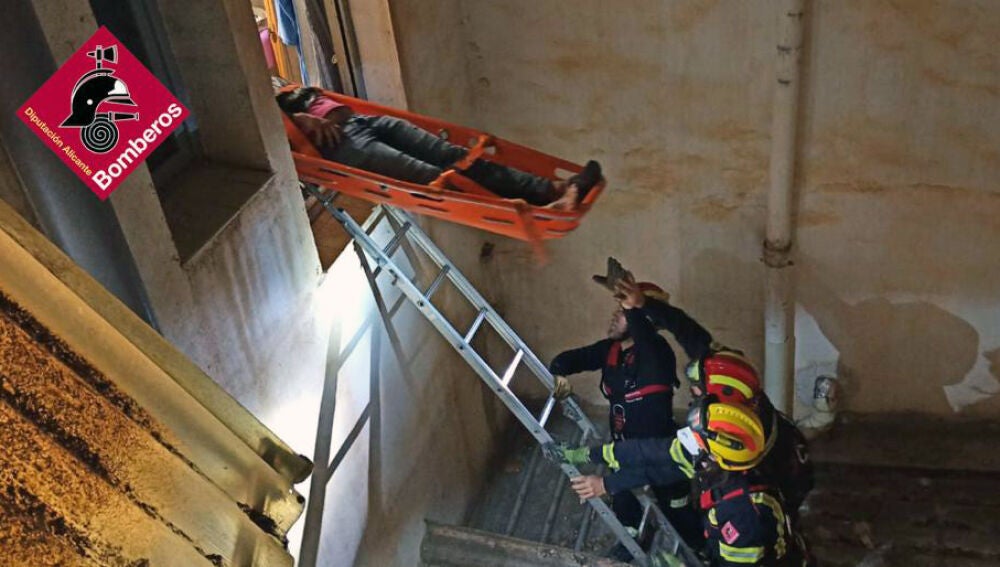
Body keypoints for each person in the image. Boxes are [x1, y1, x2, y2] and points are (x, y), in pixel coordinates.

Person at [547, 276, 700, 559]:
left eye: (622, 312)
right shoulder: (611, 350)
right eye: (617, 310)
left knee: (677, 512)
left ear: (641, 319)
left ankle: (700, 551)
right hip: (623, 443)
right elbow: (573, 358)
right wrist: (558, 371)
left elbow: (645, 335)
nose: (614, 316)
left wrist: (636, 306)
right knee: (624, 497)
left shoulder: (656, 352)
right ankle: (633, 537)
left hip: (660, 451)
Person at [562, 397, 814, 567]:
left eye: (696, 442)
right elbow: (653, 456)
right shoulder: (726, 467)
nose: (686, 445)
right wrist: (599, 467)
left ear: (714, 457)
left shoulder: (743, 515)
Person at [276, 85, 602, 210]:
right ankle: (541, 209)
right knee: (439, 179)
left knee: (458, 158)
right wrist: (300, 119)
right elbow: (266, 128)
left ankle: (554, 189)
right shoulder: (253, 103)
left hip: (360, 121)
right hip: (343, 147)